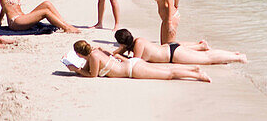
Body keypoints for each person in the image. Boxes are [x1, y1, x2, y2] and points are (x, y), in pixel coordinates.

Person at [66, 40, 210, 82]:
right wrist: (79, 69)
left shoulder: (94, 57)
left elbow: (93, 75)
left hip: (132, 70)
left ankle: (196, 74)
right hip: (131, 65)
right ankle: (194, 70)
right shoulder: (94, 53)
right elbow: (89, 69)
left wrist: (76, 70)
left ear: (78, 54)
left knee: (167, 75)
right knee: (166, 72)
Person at [112, 28, 246, 65]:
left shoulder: (138, 45)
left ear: (122, 42)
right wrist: (120, 51)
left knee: (207, 58)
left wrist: (118, 55)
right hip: (171, 50)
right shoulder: (137, 41)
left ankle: (237, 57)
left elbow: (135, 63)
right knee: (205, 56)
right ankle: (234, 54)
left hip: (173, 54)